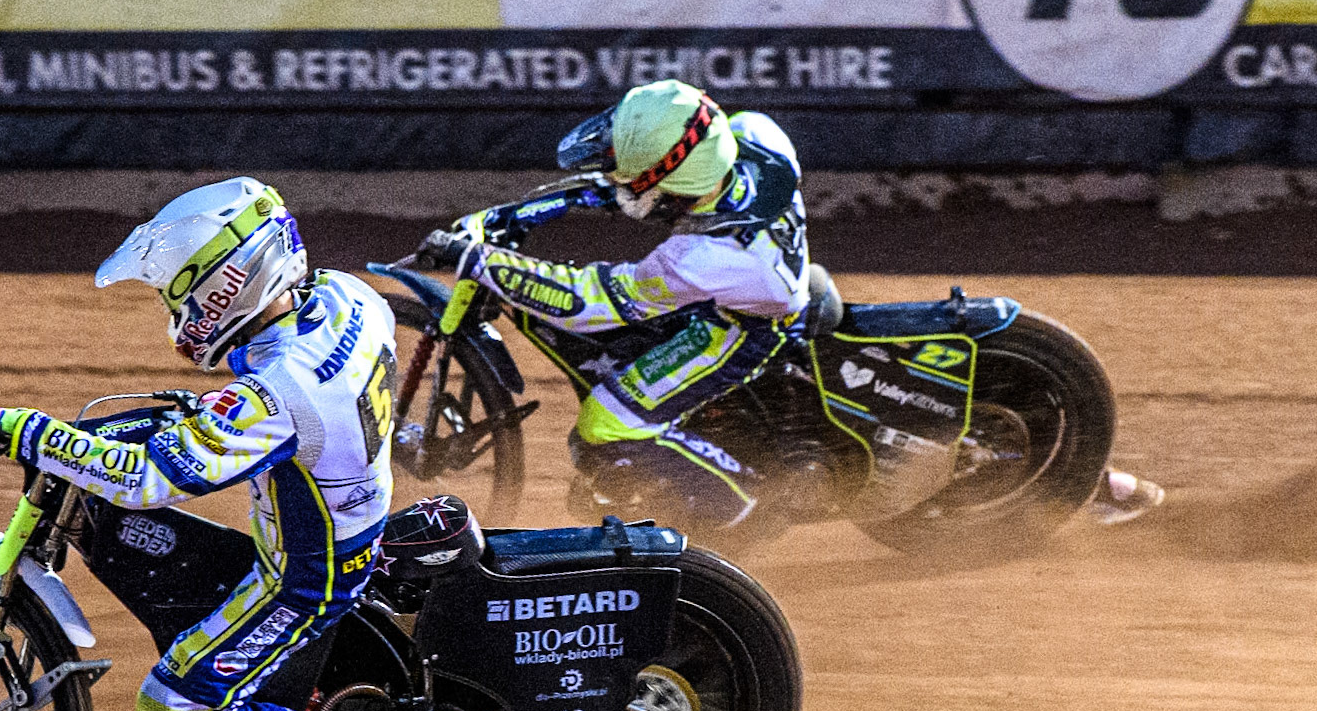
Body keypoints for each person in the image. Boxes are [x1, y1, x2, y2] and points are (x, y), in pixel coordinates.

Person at [419, 79, 1163, 533]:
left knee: (606, 424)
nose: (619, 176)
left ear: (678, 178)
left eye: (635, 172)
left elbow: (592, 302)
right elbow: (623, 187)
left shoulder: (700, 258)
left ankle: (743, 509)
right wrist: (520, 218)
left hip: (744, 330)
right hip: (775, 286)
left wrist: (485, 262)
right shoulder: (754, 139)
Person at [0, 177, 431, 711]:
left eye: (179, 294)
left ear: (226, 285)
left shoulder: (279, 391)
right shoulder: (348, 297)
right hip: (349, 515)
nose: (175, 312)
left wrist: (34, 434)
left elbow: (145, 481)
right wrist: (217, 410)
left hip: (304, 578)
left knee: (171, 709)